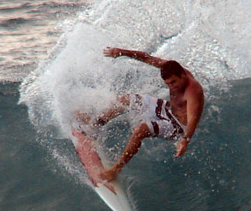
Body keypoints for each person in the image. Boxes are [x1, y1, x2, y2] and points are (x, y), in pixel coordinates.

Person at [75, 47, 205, 181]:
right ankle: (94, 125)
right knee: (126, 100)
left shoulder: (193, 91)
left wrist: (185, 140)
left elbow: (193, 120)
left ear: (183, 75)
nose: (171, 86)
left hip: (178, 127)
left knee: (140, 130)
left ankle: (116, 169)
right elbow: (146, 57)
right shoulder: (172, 69)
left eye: (173, 82)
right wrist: (122, 52)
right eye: (167, 83)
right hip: (169, 110)